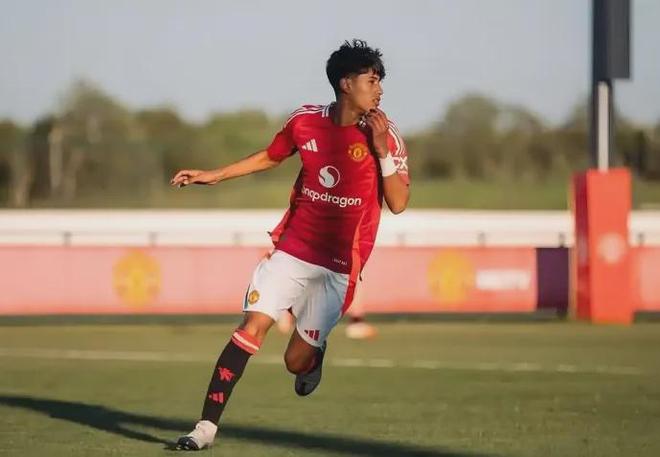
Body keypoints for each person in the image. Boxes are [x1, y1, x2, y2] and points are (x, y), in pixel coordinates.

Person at [170, 39, 409, 451]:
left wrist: (383, 150)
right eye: (372, 81)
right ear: (346, 83)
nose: (380, 90)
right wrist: (214, 175)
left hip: (339, 266)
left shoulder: (386, 135)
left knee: (294, 362)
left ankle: (315, 353)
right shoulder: (305, 120)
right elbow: (272, 155)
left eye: (380, 82)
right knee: (251, 327)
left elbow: (399, 203)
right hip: (294, 248)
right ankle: (204, 428)